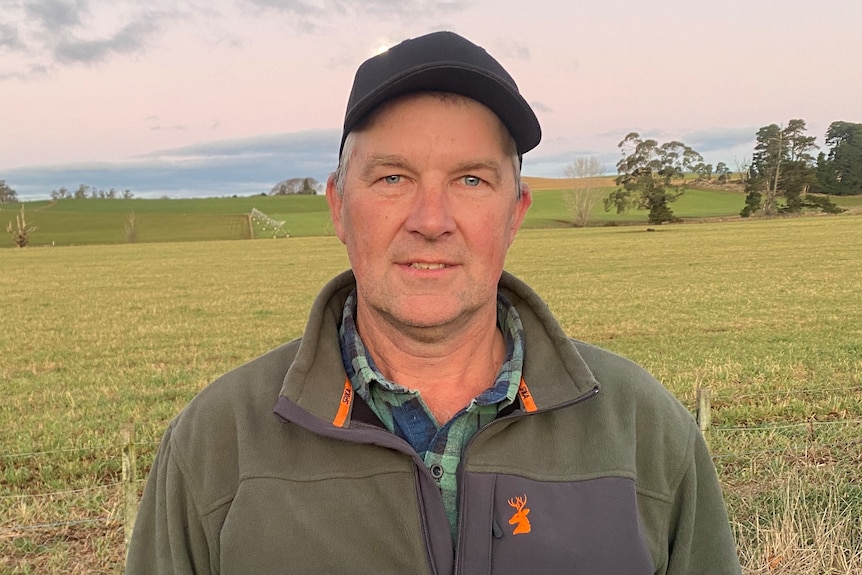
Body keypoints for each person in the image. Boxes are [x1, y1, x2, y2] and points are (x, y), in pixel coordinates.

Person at [126, 31, 741, 574]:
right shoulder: (216, 446)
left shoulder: (643, 432)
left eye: (471, 180)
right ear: (340, 207)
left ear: (515, 213)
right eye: (393, 177)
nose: (431, 221)